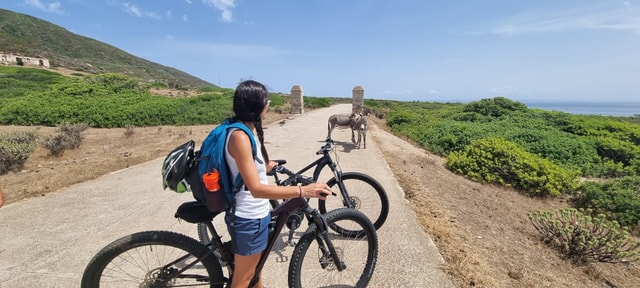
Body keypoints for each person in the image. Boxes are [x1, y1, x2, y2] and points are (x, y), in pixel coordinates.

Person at [224, 80, 331, 288]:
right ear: (258, 106)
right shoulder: (239, 137)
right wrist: (303, 190)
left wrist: (264, 168)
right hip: (249, 218)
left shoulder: (243, 131)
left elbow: (241, 171)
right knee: (243, 280)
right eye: (267, 101)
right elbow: (256, 189)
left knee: (255, 276)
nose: (269, 105)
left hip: (254, 216)